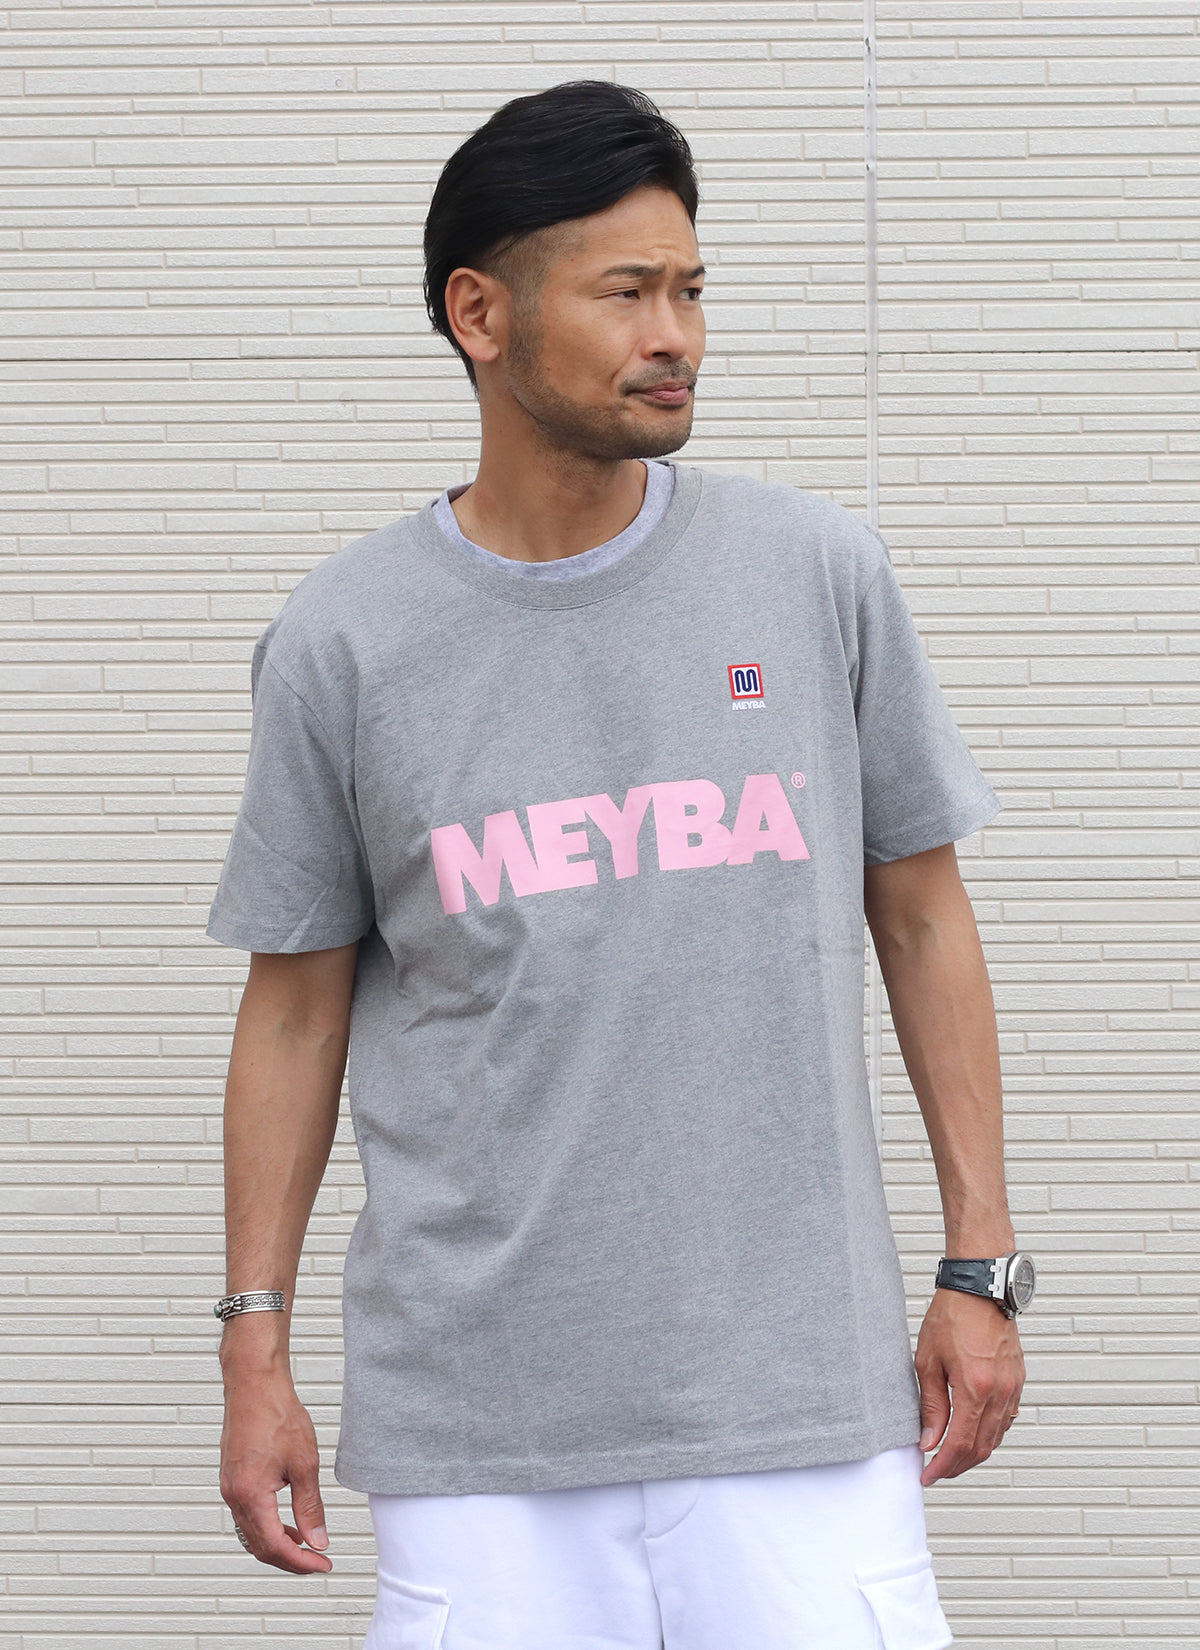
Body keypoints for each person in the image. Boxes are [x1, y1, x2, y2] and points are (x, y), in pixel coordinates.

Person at [209, 78, 1031, 1650]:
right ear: (481, 315)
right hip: (480, 1424)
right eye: (628, 292)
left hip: (797, 1403)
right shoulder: (345, 642)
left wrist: (980, 1263)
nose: (677, 336)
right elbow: (296, 1011)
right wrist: (256, 1347)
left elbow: (925, 920)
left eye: (692, 290)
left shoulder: (815, 574)